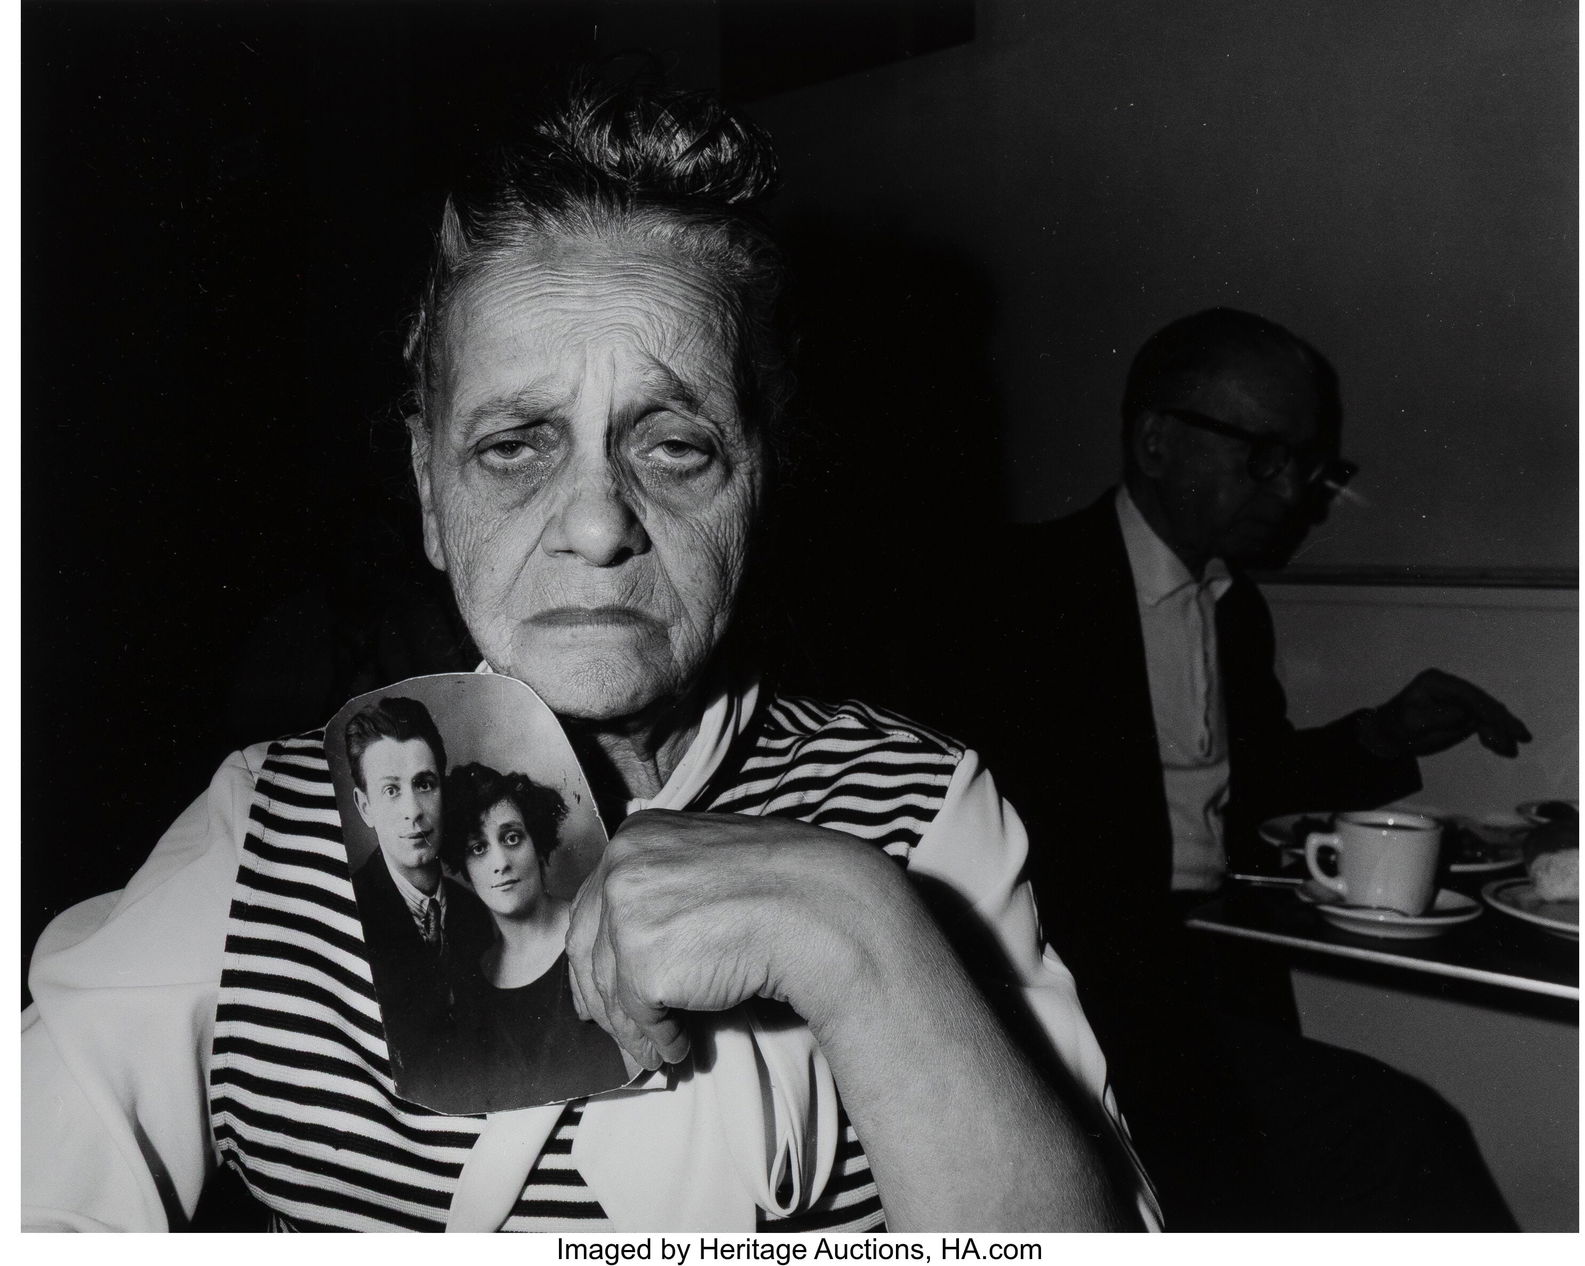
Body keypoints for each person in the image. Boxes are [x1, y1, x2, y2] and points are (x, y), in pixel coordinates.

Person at [21, 77, 1156, 1232]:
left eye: (673, 446)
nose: (599, 522)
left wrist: (858, 933)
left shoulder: (924, 813)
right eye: (515, 445)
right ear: (429, 490)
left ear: (757, 486)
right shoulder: (261, 826)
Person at [958, 307, 1525, 1229]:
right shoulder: (1018, 592)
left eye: (1307, 465)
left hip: (1219, 970)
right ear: (1154, 442)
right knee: (1403, 1135)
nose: (1295, 490)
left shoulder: (1232, 607)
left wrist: (1386, 735)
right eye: (1267, 456)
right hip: (1086, 997)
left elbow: (1252, 794)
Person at [430, 762, 630, 1114]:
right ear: (462, 866)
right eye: (478, 848)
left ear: (537, 843)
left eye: (511, 838)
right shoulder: (475, 976)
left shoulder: (593, 933)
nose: (500, 863)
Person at [344, 696, 492, 1097]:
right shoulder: (346, 910)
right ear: (365, 806)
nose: (413, 811)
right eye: (391, 791)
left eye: (424, 784)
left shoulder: (480, 913)